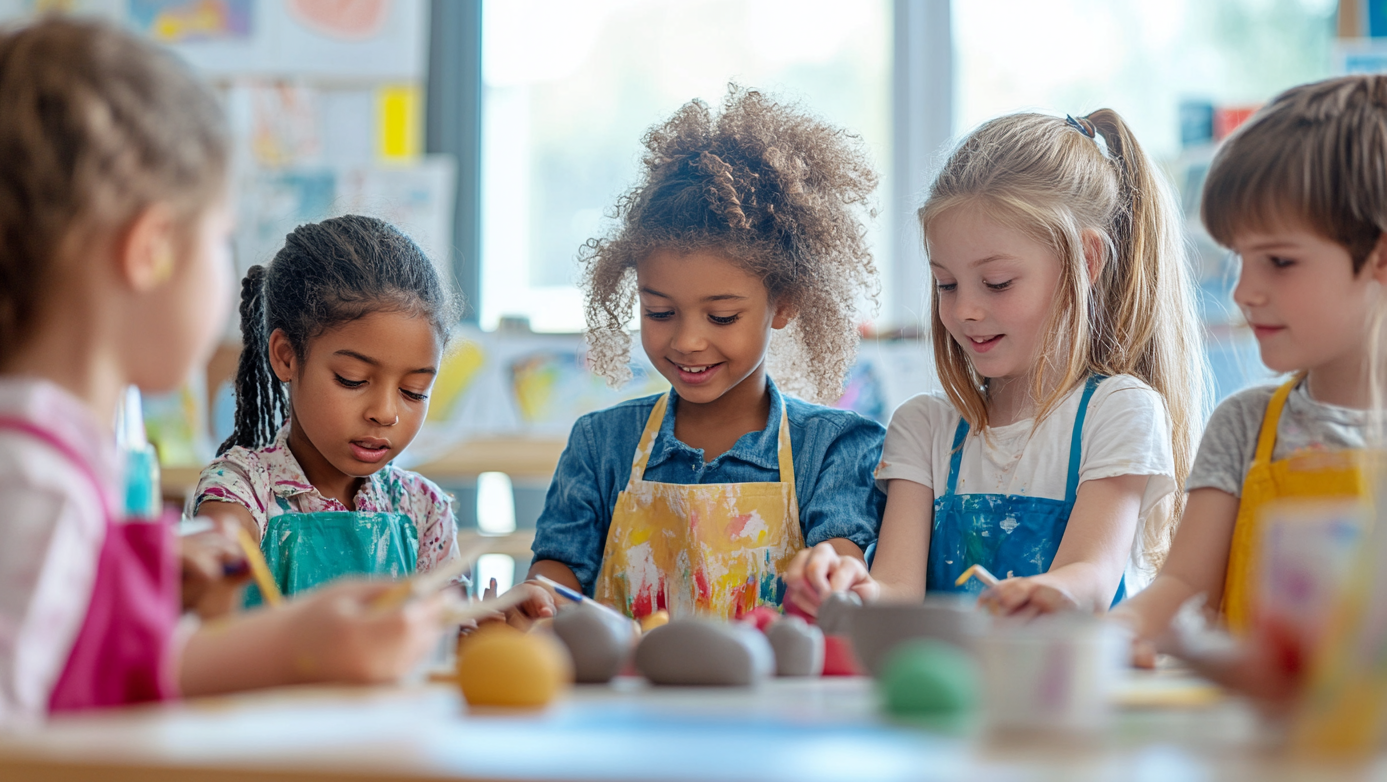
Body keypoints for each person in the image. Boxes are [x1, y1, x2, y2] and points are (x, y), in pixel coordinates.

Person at [0, 19, 442, 731]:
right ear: (152, 249)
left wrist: (297, 643)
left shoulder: (55, 460)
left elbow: (98, 680)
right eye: (220, 235)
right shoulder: (29, 481)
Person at [788, 110, 1204, 619]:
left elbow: (1091, 579)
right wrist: (850, 591)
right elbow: (895, 591)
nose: (964, 309)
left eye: (998, 283)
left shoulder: (1118, 411)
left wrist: (1046, 594)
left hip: (1067, 690)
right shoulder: (925, 427)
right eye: (946, 284)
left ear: (1086, 260)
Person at [512, 87, 887, 621]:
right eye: (660, 313)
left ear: (783, 303)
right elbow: (556, 578)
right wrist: (534, 605)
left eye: (722, 317)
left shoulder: (833, 448)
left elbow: (841, 567)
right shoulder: (600, 446)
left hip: (773, 703)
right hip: (626, 702)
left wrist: (832, 575)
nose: (687, 341)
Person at [1113, 76, 1387, 669]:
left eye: (1279, 261)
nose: (1244, 291)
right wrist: (1097, 639)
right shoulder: (1244, 426)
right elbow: (1181, 588)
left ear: (1380, 258)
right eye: (1239, 258)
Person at [191, 215, 461, 601]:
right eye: (352, 379)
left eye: (414, 391)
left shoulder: (423, 510)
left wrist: (493, 631)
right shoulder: (242, 491)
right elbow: (210, 613)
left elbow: (447, 644)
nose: (385, 413)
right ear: (287, 357)